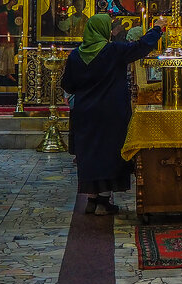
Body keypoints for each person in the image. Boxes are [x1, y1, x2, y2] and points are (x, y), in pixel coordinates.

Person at [62, 14, 166, 214]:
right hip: (111, 112)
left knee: (89, 153)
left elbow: (68, 84)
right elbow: (140, 47)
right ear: (103, 30)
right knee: (109, 153)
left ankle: (91, 200)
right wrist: (157, 29)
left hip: (85, 113)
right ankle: (103, 200)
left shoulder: (75, 55)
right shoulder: (113, 50)